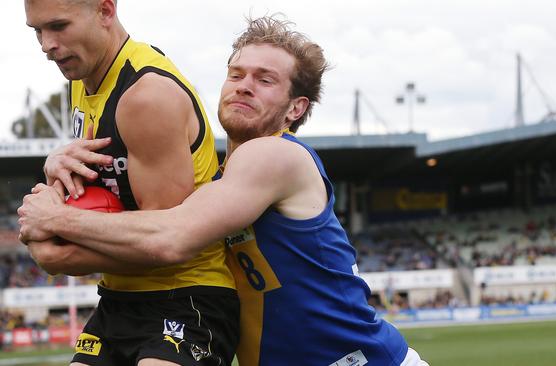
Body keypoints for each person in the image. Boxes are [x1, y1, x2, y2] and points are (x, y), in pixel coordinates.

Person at [19, 15, 429, 366]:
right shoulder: (223, 181)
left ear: (295, 108)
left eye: (265, 80)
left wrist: (56, 218)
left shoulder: (276, 156)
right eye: (236, 74)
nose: (244, 85)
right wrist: (59, 161)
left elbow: (170, 235)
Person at [23, 0, 238, 365]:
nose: (46, 44)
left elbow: (165, 244)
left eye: (58, 26)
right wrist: (54, 166)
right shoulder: (84, 79)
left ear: (106, 11)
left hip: (187, 297)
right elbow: (97, 190)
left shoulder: (145, 95)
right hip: (117, 298)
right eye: (37, 31)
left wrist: (57, 237)